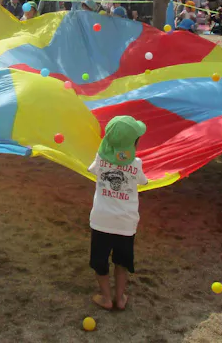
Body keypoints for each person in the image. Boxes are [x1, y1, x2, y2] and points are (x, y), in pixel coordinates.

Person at [87, 116, 147, 310]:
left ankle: (106, 297)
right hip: (125, 223)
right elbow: (143, 182)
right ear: (134, 144)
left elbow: (92, 170)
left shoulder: (100, 159)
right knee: (121, 263)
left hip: (101, 220)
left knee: (100, 261)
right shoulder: (136, 164)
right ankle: (119, 299)